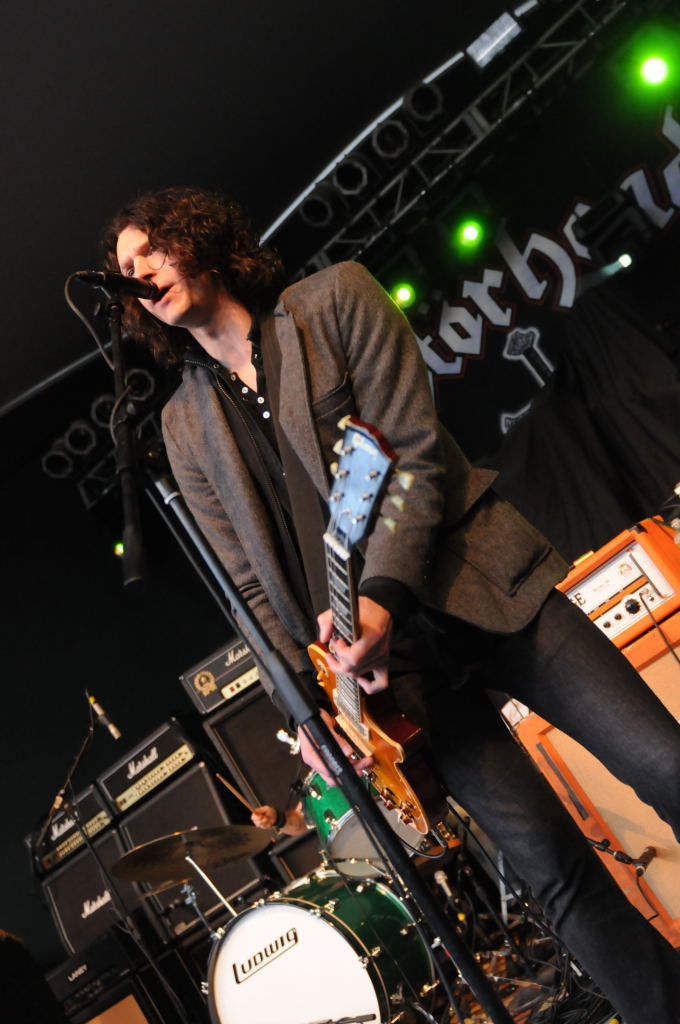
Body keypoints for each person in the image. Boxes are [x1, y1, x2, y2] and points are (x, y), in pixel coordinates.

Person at [104, 185, 680, 1023]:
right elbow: (251, 591)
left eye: (150, 248)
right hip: (392, 682)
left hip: (484, 589)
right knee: (555, 874)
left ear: (198, 239)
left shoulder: (334, 299)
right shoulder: (185, 427)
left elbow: (410, 454)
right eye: (125, 269)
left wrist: (377, 597)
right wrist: (306, 710)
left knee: (666, 763)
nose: (139, 271)